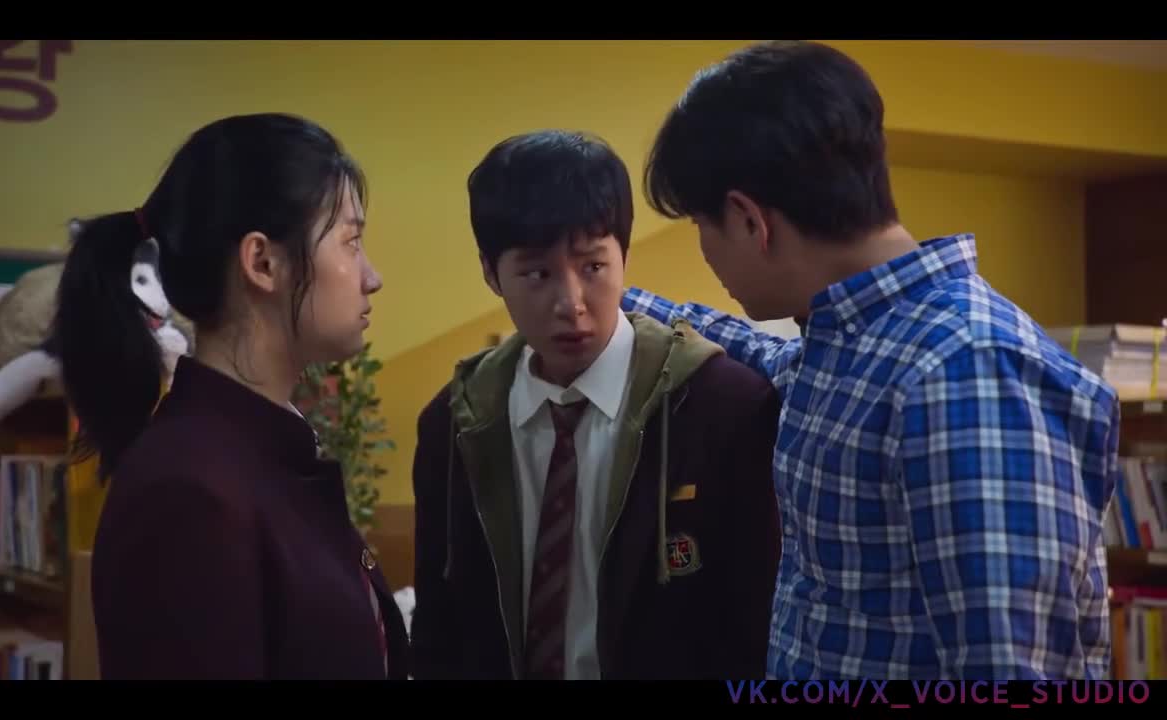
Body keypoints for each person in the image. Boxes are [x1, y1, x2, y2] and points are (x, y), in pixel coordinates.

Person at [621, 40, 1121, 680]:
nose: (706, 248)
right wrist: (615, 299)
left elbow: (1008, 675)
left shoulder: (966, 371)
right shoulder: (853, 344)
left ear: (748, 220)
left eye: (700, 223)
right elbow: (765, 354)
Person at [409, 130, 783, 680]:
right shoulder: (455, 421)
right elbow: (439, 627)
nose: (572, 304)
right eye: (537, 274)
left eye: (593, 267)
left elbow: (753, 625)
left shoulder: (722, 407)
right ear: (491, 272)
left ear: (624, 256)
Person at [54, 113, 408, 679]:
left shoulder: (261, 451)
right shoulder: (189, 490)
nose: (372, 277)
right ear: (263, 262)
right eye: (351, 242)